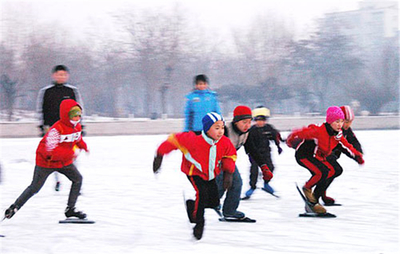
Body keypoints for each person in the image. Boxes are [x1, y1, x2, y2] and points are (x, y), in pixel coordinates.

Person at [153, 112, 236, 240]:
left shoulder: (224, 142)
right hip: (194, 172)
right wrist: (159, 156)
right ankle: (199, 223)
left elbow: (230, 155)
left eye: (222, 127)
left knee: (214, 201)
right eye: (217, 128)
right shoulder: (193, 140)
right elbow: (173, 141)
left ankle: (192, 206)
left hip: (210, 174)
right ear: (207, 129)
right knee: (202, 194)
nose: (221, 131)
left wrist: (228, 174)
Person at [4, 99, 89, 220]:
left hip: (63, 162)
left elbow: (77, 139)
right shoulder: (56, 130)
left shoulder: (77, 127)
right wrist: (70, 153)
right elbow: (50, 150)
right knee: (34, 188)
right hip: (46, 162)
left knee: (77, 179)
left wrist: (83, 146)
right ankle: (14, 208)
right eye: (74, 115)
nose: (77, 118)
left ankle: (70, 209)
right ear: (67, 115)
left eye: (79, 115)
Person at [286, 106, 364, 214]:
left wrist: (357, 154)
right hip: (304, 156)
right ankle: (307, 189)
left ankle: (314, 199)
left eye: (342, 121)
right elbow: (301, 132)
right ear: (330, 122)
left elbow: (346, 145)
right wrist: (290, 140)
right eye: (337, 121)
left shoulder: (338, 133)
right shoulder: (319, 130)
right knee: (322, 172)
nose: (340, 124)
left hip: (318, 156)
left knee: (329, 171)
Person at [215, 105, 273, 220]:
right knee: (223, 181)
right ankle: (202, 204)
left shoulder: (247, 133)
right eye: (244, 122)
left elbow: (253, 151)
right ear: (236, 122)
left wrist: (263, 166)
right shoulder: (225, 130)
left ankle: (229, 211)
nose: (247, 125)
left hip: (228, 160)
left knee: (236, 183)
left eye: (249, 122)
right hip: (212, 159)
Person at [36, 65, 84, 191]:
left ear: (67, 76)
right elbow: (41, 110)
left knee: (70, 154)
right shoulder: (46, 92)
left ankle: (75, 181)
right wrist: (42, 127)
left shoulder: (72, 91)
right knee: (53, 156)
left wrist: (80, 126)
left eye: (63, 74)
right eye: (58, 74)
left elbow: (78, 109)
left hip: (69, 129)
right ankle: (57, 180)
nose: (61, 77)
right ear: (54, 75)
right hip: (52, 129)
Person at [322, 105, 363, 205]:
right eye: (346, 121)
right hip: (323, 155)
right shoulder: (333, 129)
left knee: (332, 173)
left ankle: (320, 194)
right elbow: (340, 147)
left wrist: (359, 152)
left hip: (332, 156)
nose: (348, 125)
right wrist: (354, 156)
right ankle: (314, 195)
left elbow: (353, 140)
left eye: (350, 122)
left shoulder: (346, 130)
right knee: (331, 171)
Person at [242, 106, 283, 200]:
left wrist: (278, 147)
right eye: (258, 120)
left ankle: (266, 183)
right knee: (254, 171)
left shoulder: (268, 128)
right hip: (255, 154)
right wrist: (249, 154)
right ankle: (252, 188)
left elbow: (276, 137)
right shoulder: (252, 130)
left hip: (266, 152)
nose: (260, 122)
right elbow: (247, 142)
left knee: (270, 168)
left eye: (262, 120)